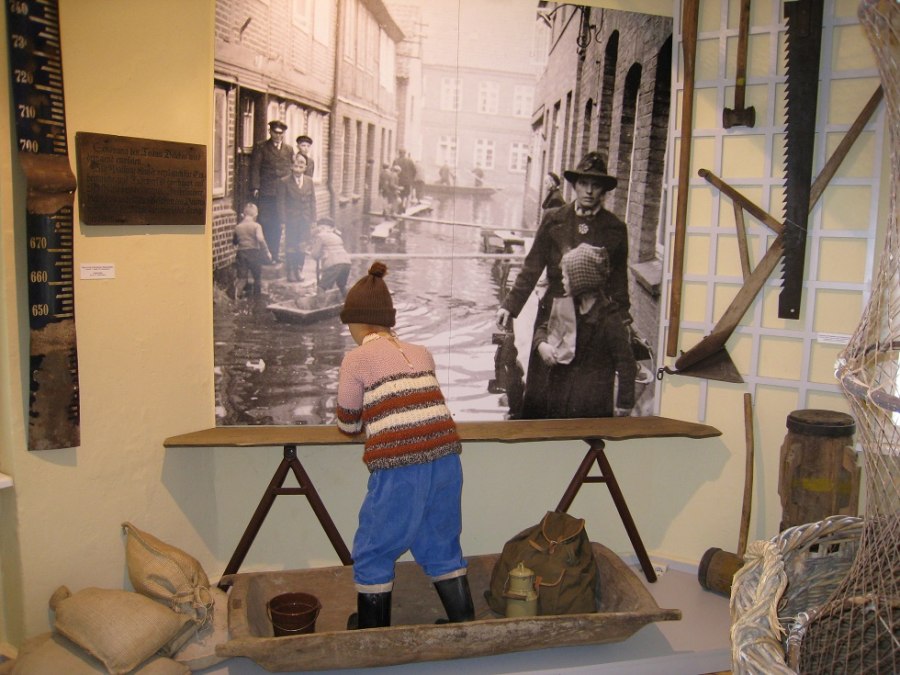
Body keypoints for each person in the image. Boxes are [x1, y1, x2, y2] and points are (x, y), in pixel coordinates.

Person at [335, 262, 474, 630]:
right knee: (440, 538)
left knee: (375, 545)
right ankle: (464, 624)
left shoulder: (356, 358)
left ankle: (373, 630)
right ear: (388, 320)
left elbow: (348, 422)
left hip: (400, 464)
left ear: (356, 323)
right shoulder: (421, 350)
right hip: (446, 458)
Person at [495, 152, 631, 419]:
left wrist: (622, 321)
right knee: (544, 386)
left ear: (604, 189)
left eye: (596, 185)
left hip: (592, 321)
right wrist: (510, 306)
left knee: (587, 393)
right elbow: (532, 267)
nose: (589, 191)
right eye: (584, 184)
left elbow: (619, 281)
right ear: (575, 185)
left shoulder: (614, 228)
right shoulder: (554, 219)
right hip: (554, 315)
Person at [534, 243, 635, 418]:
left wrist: (624, 405)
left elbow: (626, 364)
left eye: (566, 277)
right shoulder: (568, 307)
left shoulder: (609, 319)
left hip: (591, 405)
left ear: (581, 281)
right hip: (560, 395)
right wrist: (541, 344)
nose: (562, 281)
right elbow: (544, 328)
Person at [250, 120, 294, 263]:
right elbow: (255, 168)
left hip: (282, 193)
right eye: (275, 132)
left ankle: (275, 254)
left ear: (283, 134)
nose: (278, 136)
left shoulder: (288, 150)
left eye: (281, 133)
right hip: (267, 192)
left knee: (279, 222)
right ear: (270, 132)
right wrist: (255, 186)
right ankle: (265, 255)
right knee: (265, 222)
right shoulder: (261, 147)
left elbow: (290, 170)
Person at [277, 155, 317, 283]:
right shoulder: (284, 181)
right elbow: (281, 202)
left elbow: (313, 201)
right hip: (291, 220)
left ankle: (299, 270)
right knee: (291, 245)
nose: (298, 168)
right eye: (296, 165)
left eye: (301, 165)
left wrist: (313, 220)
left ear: (305, 167)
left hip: (305, 219)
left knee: (302, 245)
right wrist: (283, 221)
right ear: (291, 167)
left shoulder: (309, 181)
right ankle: (291, 271)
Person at [232, 202, 272, 298]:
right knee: (257, 277)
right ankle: (257, 299)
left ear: (244, 215)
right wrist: (267, 252)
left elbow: (234, 242)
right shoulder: (256, 226)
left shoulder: (237, 227)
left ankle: (236, 297)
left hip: (241, 254)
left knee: (242, 278)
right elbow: (260, 239)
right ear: (255, 215)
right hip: (254, 253)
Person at [309, 217, 352, 295]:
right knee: (342, 285)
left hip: (334, 264)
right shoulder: (338, 237)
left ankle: (320, 306)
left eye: (322, 228)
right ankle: (347, 300)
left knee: (321, 287)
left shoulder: (320, 236)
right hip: (346, 263)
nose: (321, 230)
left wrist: (313, 253)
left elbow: (315, 254)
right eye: (320, 228)